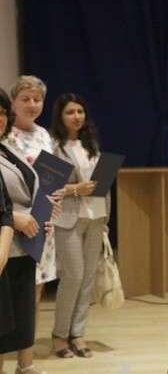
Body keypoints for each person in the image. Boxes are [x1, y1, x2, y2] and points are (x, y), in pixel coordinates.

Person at [0, 87, 59, 374]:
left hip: (24, 244)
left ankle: (25, 367)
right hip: (5, 243)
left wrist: (43, 213)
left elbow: (32, 187)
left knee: (21, 315)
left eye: (2, 113)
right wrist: (15, 218)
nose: (0, 119)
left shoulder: (7, 148)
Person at [50, 93, 109, 358]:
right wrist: (75, 189)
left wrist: (106, 220)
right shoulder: (53, 146)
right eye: (70, 112)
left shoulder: (91, 145)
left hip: (96, 217)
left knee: (87, 279)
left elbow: (103, 184)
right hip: (68, 219)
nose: (76, 116)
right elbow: (48, 188)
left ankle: (78, 334)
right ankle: (59, 336)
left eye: (80, 111)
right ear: (60, 117)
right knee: (72, 276)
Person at [5, 76, 56, 317]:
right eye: (26, 99)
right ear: (13, 102)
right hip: (15, 218)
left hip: (43, 218)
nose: (32, 104)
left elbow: (52, 176)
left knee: (38, 282)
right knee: (14, 287)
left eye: (37, 99)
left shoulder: (44, 134)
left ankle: (29, 335)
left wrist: (57, 196)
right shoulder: (5, 134)